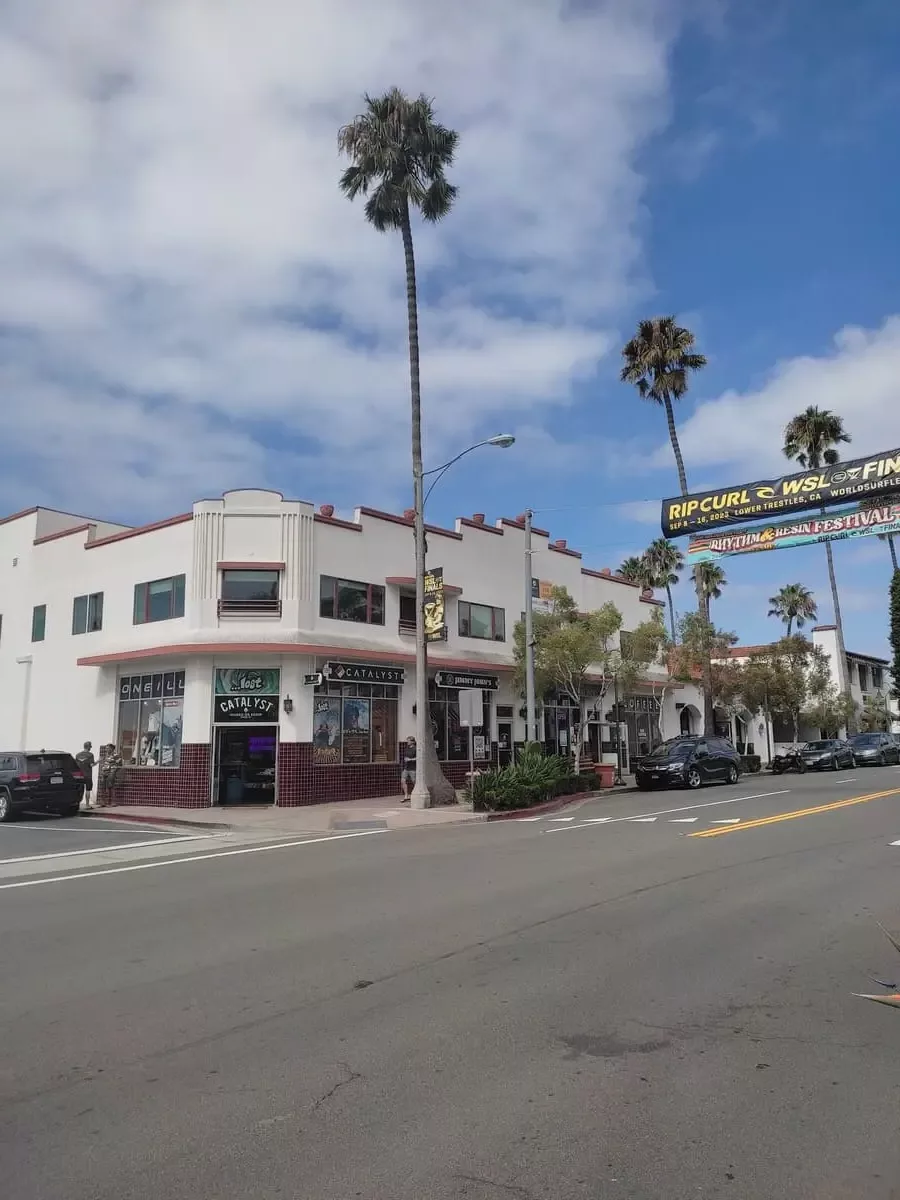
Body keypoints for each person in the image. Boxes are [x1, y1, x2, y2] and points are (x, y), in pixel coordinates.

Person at [75, 740, 96, 808]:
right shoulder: (90, 755)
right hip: (88, 775)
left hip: (79, 775)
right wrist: (98, 761)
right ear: (89, 747)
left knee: (79, 790)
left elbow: (76, 765)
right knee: (88, 790)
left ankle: (77, 804)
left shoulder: (77, 755)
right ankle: (87, 804)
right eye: (90, 746)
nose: (91, 748)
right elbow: (91, 765)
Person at [400, 736, 417, 802]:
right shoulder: (407, 748)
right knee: (403, 780)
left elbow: (418, 758)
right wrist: (405, 759)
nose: (407, 742)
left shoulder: (415, 749)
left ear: (412, 742)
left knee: (414, 781)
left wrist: (410, 759)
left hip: (413, 768)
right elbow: (405, 756)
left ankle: (415, 794)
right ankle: (406, 795)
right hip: (406, 768)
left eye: (409, 741)